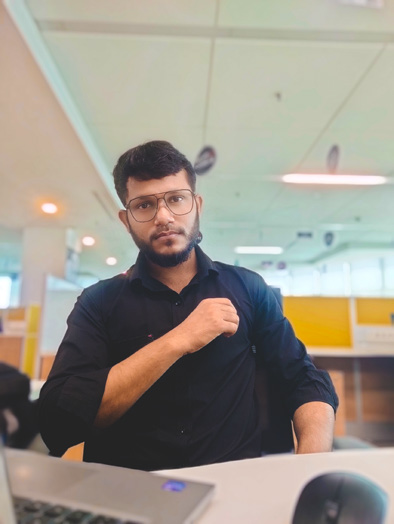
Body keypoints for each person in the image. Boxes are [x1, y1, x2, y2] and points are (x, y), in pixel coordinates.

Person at [38, 140, 338, 471]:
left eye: (176, 199)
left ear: (197, 204)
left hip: (235, 487)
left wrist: (309, 471)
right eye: (144, 205)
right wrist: (178, 340)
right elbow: (58, 420)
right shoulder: (99, 302)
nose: (163, 217)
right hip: (131, 493)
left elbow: (302, 379)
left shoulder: (248, 288)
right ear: (126, 220)